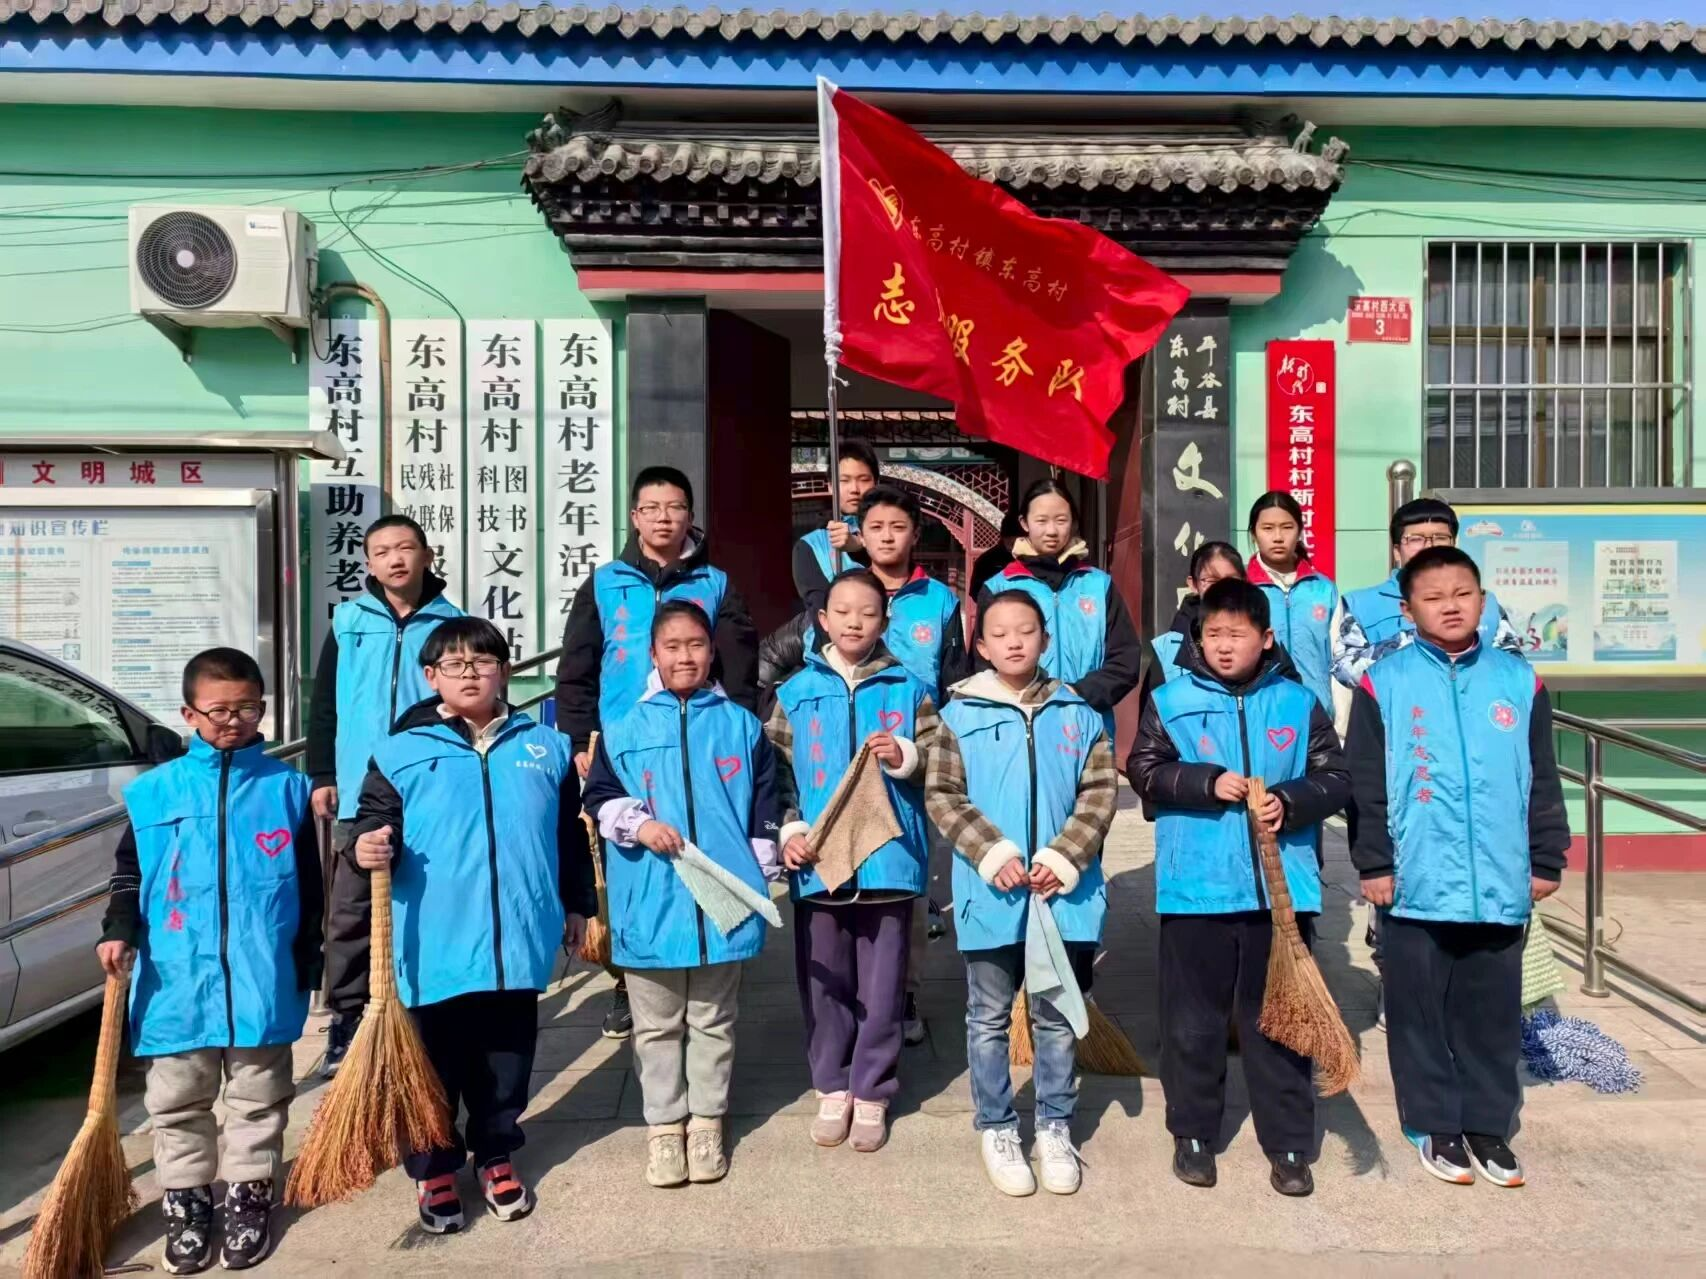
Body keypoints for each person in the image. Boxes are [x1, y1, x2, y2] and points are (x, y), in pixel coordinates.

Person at [351, 617, 592, 1233]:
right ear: (431, 676)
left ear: (503, 671)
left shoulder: (546, 747)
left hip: (518, 938)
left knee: (507, 1060)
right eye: (454, 665)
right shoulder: (400, 751)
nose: (470, 674)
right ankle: (434, 1167)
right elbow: (371, 823)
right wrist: (366, 845)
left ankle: (495, 1153)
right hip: (434, 942)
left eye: (482, 662)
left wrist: (578, 905)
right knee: (434, 1064)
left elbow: (568, 836)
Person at [1346, 546, 1569, 1189]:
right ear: (1408, 609)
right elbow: (1365, 784)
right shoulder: (1383, 683)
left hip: (1499, 877)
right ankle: (1434, 1124)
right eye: (1434, 597)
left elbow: (1542, 775)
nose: (1451, 606)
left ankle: (1488, 1127)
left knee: (1491, 1015)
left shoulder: (1519, 680)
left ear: (1483, 600)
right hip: (1415, 878)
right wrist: (1375, 862)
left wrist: (1546, 854)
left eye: (1463, 593)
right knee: (1418, 1013)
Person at [98, 648, 322, 1273]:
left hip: (261, 972)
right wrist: (118, 930)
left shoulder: (288, 790)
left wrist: (309, 959)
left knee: (259, 1096)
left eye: (248, 708)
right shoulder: (154, 792)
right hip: (175, 975)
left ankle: (250, 1196)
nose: (234, 721)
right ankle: (188, 1202)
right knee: (177, 1100)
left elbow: (310, 888)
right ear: (189, 713)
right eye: (219, 710)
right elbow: (128, 874)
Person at [1127, 580, 1350, 1198]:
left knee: (1281, 1021)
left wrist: (1290, 801)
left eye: (1238, 634)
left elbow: (1336, 777)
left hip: (1282, 896)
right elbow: (1143, 770)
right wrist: (1204, 782)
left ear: (1266, 638)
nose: (1224, 646)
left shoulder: (1298, 703)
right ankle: (1193, 1133)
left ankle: (1289, 1143)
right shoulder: (1170, 700)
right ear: (1198, 639)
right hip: (1195, 890)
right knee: (1193, 1023)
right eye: (1213, 634)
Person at [581, 602, 782, 1189]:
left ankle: (708, 1121)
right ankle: (665, 1127)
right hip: (651, 900)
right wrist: (639, 824)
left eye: (696, 644)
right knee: (657, 1025)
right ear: (653, 654)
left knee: (715, 1019)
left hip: (722, 901)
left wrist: (759, 870)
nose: (685, 656)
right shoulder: (624, 727)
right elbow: (599, 797)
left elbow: (764, 804)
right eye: (672, 646)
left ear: (712, 651)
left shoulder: (742, 725)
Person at [555, 465, 759, 1040]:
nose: (664, 518)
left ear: (691, 516)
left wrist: (739, 734)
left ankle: (710, 954)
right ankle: (631, 980)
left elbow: (741, 669)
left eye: (675, 507)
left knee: (699, 847)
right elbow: (577, 666)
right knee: (629, 862)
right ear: (634, 517)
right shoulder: (605, 583)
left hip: (700, 742)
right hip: (624, 749)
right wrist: (580, 740)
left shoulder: (716, 583)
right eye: (652, 508)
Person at [926, 591, 1119, 1198]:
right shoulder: (958, 715)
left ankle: (1055, 1124)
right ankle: (997, 1125)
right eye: (1000, 633)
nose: (1014, 641)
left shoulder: (1078, 714)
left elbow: (1100, 792)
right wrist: (993, 853)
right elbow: (943, 795)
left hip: (1063, 893)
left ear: (1045, 640)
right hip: (993, 895)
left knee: (1055, 1014)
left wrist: (1064, 856)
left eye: (1026, 630)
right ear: (982, 646)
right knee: (987, 1015)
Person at [766, 571, 937, 1153]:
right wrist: (790, 827)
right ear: (822, 620)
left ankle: (872, 1090)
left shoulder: (909, 689)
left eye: (867, 612)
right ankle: (831, 1084)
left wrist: (907, 756)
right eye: (842, 611)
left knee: (884, 985)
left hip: (890, 860)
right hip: (818, 862)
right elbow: (774, 772)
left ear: (885, 621)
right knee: (825, 980)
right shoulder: (794, 693)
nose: (854, 622)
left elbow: (944, 762)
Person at [308, 513, 463, 1078]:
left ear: (426, 555)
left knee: (427, 903)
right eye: (382, 551)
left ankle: (427, 1009)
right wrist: (322, 773)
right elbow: (324, 702)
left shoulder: (453, 624)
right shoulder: (349, 621)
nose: (395, 559)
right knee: (350, 911)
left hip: (429, 788)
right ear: (368, 563)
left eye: (405, 548)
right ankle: (347, 1019)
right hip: (358, 789)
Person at [760, 485, 966, 701]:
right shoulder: (841, 594)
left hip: (920, 717)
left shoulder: (940, 599)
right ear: (861, 536)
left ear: (915, 535)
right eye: (876, 527)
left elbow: (955, 679)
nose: (887, 537)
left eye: (898, 527)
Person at [977, 477, 1142, 742]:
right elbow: (981, 666)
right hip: (1020, 732)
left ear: (1073, 523)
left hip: (1089, 728)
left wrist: (1078, 693)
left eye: (1061, 520)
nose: (1051, 531)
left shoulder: (1098, 585)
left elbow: (1125, 660)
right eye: (1041, 521)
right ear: (1024, 523)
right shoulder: (998, 587)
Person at [1333, 496, 1524, 688]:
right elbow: (1345, 671)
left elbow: (1515, 667)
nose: (1429, 546)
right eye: (1416, 539)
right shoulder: (1361, 604)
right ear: (1397, 551)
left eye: (1440, 538)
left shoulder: (1485, 602)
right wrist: (1418, 641)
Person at [1245, 491, 1343, 721]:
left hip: (1317, 716)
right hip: (1258, 715)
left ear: (1300, 532)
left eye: (1287, 527)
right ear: (1254, 534)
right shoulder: (1242, 588)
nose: (1278, 537)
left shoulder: (1323, 589)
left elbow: (1340, 659)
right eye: (1268, 528)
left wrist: (1340, 727)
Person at [1145, 540, 1246, 692]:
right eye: (1211, 581)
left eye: (1231, 581)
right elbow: (1153, 704)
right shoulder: (1168, 649)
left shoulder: (1258, 637)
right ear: (1193, 584)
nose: (1222, 588)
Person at [794, 441, 881, 611]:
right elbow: (819, 609)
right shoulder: (811, 545)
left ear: (876, 483)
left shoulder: (890, 533)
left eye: (864, 480)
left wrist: (860, 546)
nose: (854, 489)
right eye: (844, 480)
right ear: (830, 486)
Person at [969, 509, 1023, 598]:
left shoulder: (1031, 558)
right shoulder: (986, 560)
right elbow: (976, 592)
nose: (1014, 547)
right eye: (1011, 543)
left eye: (1019, 542)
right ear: (1003, 538)